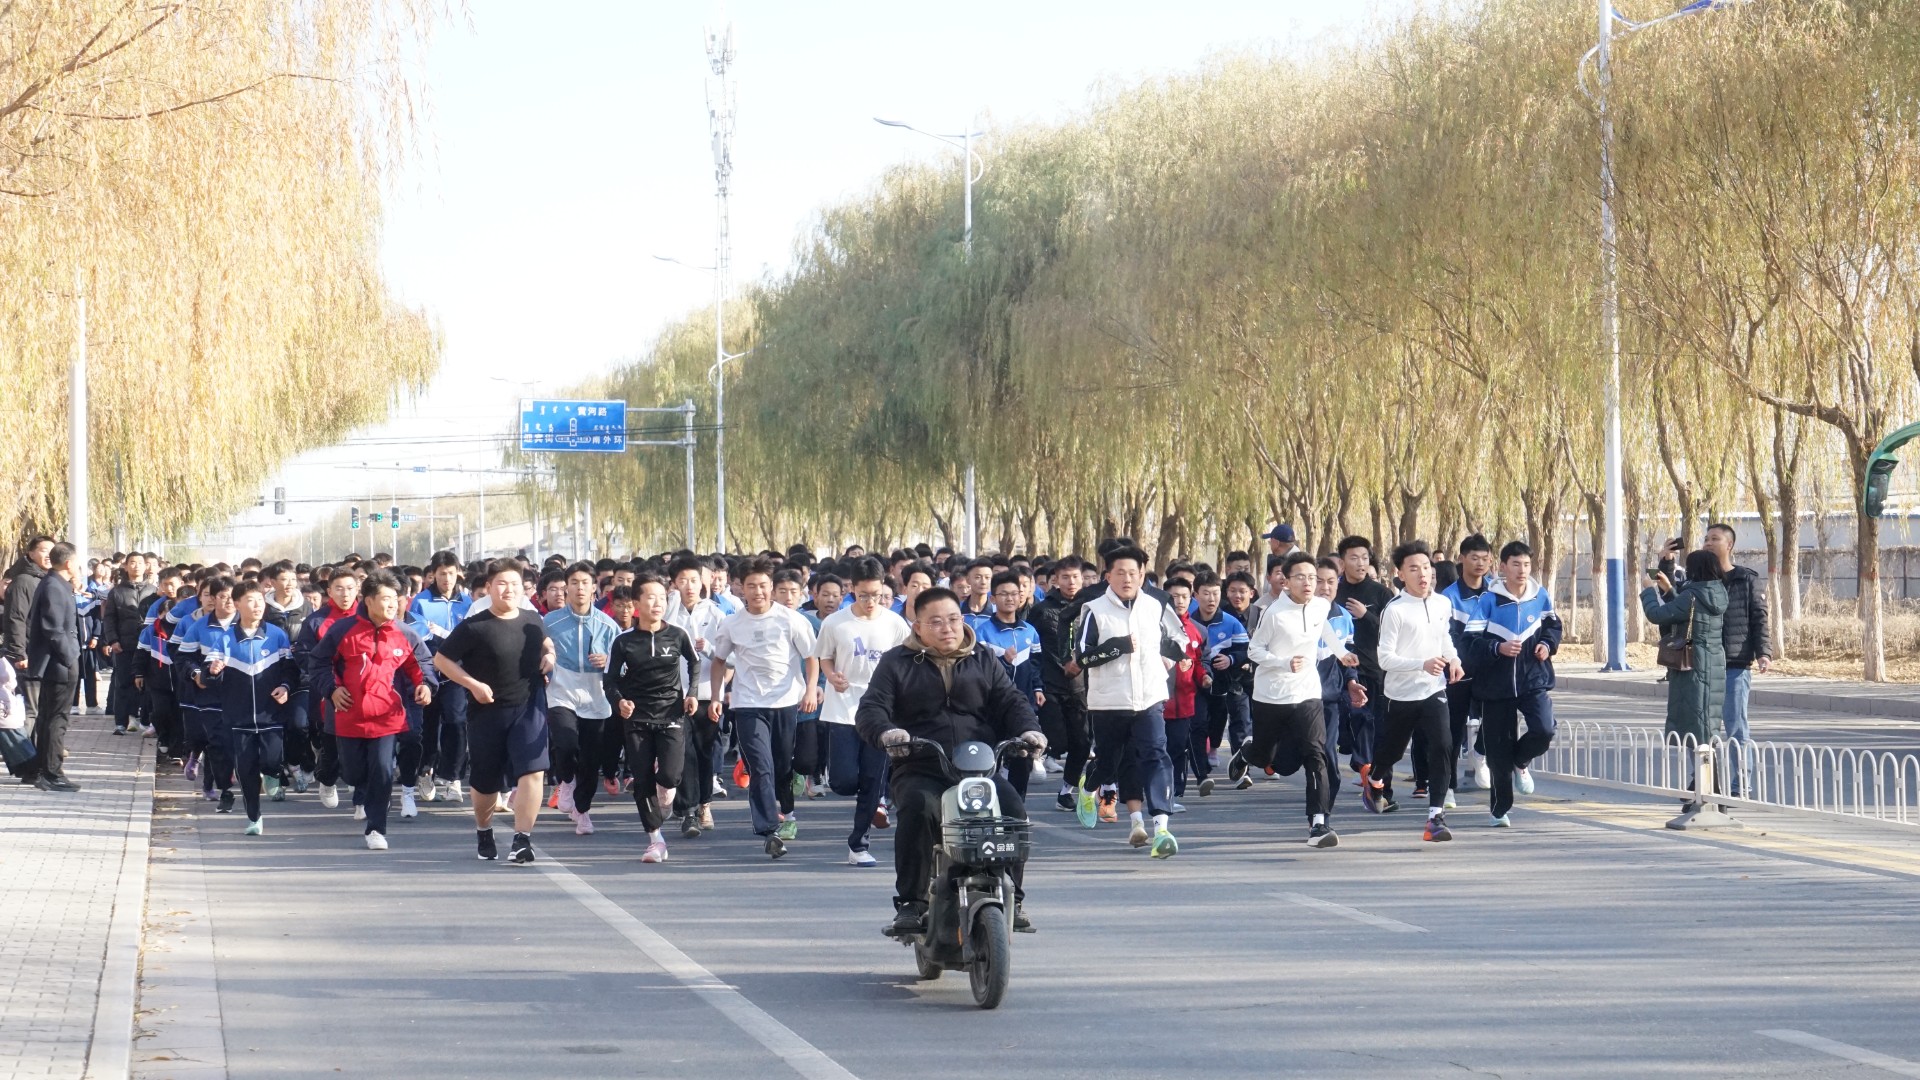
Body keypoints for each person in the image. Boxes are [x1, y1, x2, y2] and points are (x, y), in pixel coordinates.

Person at [854, 587, 1046, 934]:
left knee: (1013, 811)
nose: (948, 628)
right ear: (918, 627)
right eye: (937, 622)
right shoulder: (896, 662)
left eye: (954, 619)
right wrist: (887, 732)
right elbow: (871, 709)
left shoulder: (983, 658)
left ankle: (1013, 898)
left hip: (979, 769)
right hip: (921, 765)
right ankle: (911, 903)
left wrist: (1029, 731)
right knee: (918, 810)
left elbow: (1011, 701)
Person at [435, 559, 556, 864]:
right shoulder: (475, 626)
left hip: (529, 706)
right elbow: (441, 660)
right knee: (486, 782)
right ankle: (484, 829)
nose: (509, 589)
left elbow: (546, 642)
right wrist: (472, 684)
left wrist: (550, 655)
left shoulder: (532, 619)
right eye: (502, 583)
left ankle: (522, 839)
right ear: (488, 588)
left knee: (533, 771)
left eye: (515, 584)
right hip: (487, 711)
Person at [312, 570, 435, 850]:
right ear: (368, 600)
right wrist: (332, 689)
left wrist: (425, 685)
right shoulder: (342, 630)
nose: (392, 604)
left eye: (395, 598)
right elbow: (319, 663)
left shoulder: (405, 633)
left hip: (387, 716)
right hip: (349, 714)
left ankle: (376, 828)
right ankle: (361, 791)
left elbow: (422, 664)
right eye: (386, 598)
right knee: (354, 773)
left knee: (382, 769)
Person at [707, 555, 819, 859]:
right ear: (741, 588)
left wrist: (810, 689)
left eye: (763, 585)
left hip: (785, 702)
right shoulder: (732, 624)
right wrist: (716, 696)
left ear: (771, 587)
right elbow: (718, 662)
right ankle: (770, 830)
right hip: (748, 704)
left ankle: (787, 811)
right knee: (761, 767)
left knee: (782, 766)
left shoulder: (791, 619)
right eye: (751, 586)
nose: (758, 591)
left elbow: (811, 658)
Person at [1073, 544, 1181, 858]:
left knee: (1156, 755)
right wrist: (1117, 646)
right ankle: (1089, 785)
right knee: (1110, 761)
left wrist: (1175, 658)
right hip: (1109, 701)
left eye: (1133, 573)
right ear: (1107, 576)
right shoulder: (1094, 610)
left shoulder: (1157, 605)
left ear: (1142, 575)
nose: (1127, 578)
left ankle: (1162, 828)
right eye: (1120, 572)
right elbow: (1082, 657)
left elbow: (1176, 639)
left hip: (1150, 697)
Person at [814, 557, 912, 866]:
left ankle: (858, 845)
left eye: (876, 595)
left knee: (872, 779)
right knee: (843, 781)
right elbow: (824, 657)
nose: (870, 601)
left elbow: (906, 662)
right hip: (843, 707)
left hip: (881, 711)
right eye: (863, 595)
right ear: (852, 589)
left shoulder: (895, 624)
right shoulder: (835, 623)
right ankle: (866, 794)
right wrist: (831, 676)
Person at [1237, 552, 1340, 847]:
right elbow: (1254, 650)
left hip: (1307, 692)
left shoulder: (1321, 605)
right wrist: (1282, 662)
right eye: (1301, 577)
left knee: (1315, 754)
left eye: (1312, 578)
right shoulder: (1274, 613)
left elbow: (1324, 628)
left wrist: (1342, 653)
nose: (1309, 583)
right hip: (1271, 695)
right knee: (1274, 761)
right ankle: (1248, 753)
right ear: (1286, 581)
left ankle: (1318, 824)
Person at [1366, 541, 1462, 842]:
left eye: (1426, 567)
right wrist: (1422, 664)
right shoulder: (1395, 610)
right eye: (1414, 569)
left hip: (1434, 690)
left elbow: (1444, 637)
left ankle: (1435, 818)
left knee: (1443, 745)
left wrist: (1454, 659)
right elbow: (1385, 659)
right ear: (1400, 574)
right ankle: (1375, 779)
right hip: (1401, 695)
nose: (1422, 574)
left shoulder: (1442, 603)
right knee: (1392, 752)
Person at [1665, 524, 1770, 796]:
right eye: (1706, 539)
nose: (1708, 543)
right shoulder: (1693, 582)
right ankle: (1703, 781)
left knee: (1736, 728)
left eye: (1715, 539)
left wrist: (1763, 652)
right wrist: (1665, 562)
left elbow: (1759, 618)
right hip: (1700, 665)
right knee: (1699, 728)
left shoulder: (1745, 579)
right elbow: (1670, 600)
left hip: (1734, 665)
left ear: (1729, 545)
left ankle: (1740, 786)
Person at [1464, 541, 1561, 827]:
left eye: (1526, 564)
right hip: (1496, 686)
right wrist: (1498, 648)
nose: (1522, 570)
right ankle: (1499, 810)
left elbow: (1553, 626)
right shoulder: (1489, 600)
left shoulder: (1540, 596)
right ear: (1502, 567)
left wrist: (1547, 644)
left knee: (1544, 729)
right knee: (1498, 751)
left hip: (1533, 679)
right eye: (1516, 564)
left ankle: (1521, 761)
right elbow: (1469, 642)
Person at [602, 574, 698, 863]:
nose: (658, 603)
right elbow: (609, 680)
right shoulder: (623, 641)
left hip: (671, 714)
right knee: (642, 778)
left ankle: (665, 794)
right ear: (636, 603)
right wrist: (619, 702)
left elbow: (694, 662)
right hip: (637, 717)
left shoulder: (678, 635)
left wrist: (692, 694)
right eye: (651, 597)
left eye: (662, 598)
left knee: (670, 776)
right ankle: (655, 840)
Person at [197, 580, 295, 834]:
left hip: (271, 714)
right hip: (237, 718)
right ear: (237, 604)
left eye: (260, 600)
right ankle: (254, 817)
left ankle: (273, 773)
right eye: (250, 601)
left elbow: (290, 669)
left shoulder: (277, 635)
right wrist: (213, 671)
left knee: (272, 760)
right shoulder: (225, 640)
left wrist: (285, 686)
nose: (257, 606)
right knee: (246, 769)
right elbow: (207, 677)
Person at [543, 562, 621, 836]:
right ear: (567, 587)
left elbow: (623, 663)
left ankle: (583, 810)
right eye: (574, 583)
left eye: (585, 583)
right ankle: (566, 780)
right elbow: (538, 651)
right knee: (565, 743)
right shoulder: (550, 622)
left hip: (595, 695)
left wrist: (608, 660)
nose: (579, 588)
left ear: (594, 587)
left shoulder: (607, 625)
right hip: (561, 690)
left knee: (590, 758)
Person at [1641, 550, 1728, 753]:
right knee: (1706, 722)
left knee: (1696, 727)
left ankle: (1705, 772)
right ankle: (1704, 769)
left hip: (1692, 663)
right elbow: (1689, 613)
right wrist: (1670, 590)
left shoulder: (1691, 595)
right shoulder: (1716, 592)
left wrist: (1649, 591)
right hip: (1713, 661)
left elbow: (1656, 614)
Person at [666, 554, 726, 835]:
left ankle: (704, 804)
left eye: (693, 580)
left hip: (705, 693)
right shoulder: (668, 612)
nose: (689, 586)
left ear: (703, 581)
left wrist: (710, 649)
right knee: (682, 752)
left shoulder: (716, 614)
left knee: (703, 751)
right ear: (674, 583)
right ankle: (687, 811)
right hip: (674, 693)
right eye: (682, 580)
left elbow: (731, 658)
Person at [1029, 556, 1091, 813]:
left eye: (1075, 577)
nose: (1071, 582)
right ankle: (1036, 757)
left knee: (1082, 743)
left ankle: (1066, 791)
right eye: (1065, 577)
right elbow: (1031, 645)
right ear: (1055, 579)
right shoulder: (1042, 610)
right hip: (1050, 684)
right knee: (1058, 740)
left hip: (1082, 686)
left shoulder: (1090, 607)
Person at [1434, 534, 1494, 796]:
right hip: (1457, 672)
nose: (1480, 563)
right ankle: (1447, 786)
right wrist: (1456, 661)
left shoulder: (1496, 592)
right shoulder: (1448, 597)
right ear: (1461, 559)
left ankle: (1480, 753)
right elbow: (1446, 636)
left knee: (1496, 718)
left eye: (1485, 558)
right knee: (1453, 730)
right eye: (1474, 558)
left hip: (1489, 671)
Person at [407, 552, 468, 803]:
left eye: (451, 573)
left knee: (456, 721)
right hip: (430, 673)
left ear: (458, 574)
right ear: (433, 575)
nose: (447, 579)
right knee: (429, 725)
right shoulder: (420, 602)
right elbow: (420, 637)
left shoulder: (467, 602)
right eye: (442, 573)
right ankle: (426, 771)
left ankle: (452, 777)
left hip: (458, 673)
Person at [1333, 536, 1393, 790]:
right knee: (1352, 722)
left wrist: (1366, 615)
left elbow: (1392, 631)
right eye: (1354, 558)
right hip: (1341, 671)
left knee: (1376, 728)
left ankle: (1382, 788)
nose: (1360, 563)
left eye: (1365, 558)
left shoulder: (1381, 593)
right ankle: (1360, 758)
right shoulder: (1334, 592)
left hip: (1375, 670)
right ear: (1342, 562)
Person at [24, 542, 82, 791]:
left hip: (59, 662)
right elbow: (54, 629)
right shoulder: (53, 587)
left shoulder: (56, 584)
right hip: (59, 664)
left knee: (49, 717)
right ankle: (52, 772)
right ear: (69, 563)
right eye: (77, 562)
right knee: (56, 719)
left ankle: (43, 770)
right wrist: (70, 656)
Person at [100, 553, 154, 736]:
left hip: (147, 646)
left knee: (146, 684)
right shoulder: (117, 592)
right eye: (132, 562)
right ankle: (120, 722)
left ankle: (142, 719)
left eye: (140, 562)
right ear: (125, 566)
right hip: (124, 644)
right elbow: (109, 618)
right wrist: (112, 640)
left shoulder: (153, 591)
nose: (136, 566)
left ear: (145, 566)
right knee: (123, 683)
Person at [4, 537, 54, 726]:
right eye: (43, 550)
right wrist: (19, 653)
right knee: (30, 710)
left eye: (52, 551)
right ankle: (25, 745)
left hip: (44, 654)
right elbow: (16, 618)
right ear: (31, 554)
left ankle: (39, 742)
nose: (48, 555)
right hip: (27, 654)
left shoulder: (46, 579)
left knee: (43, 708)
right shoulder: (23, 581)